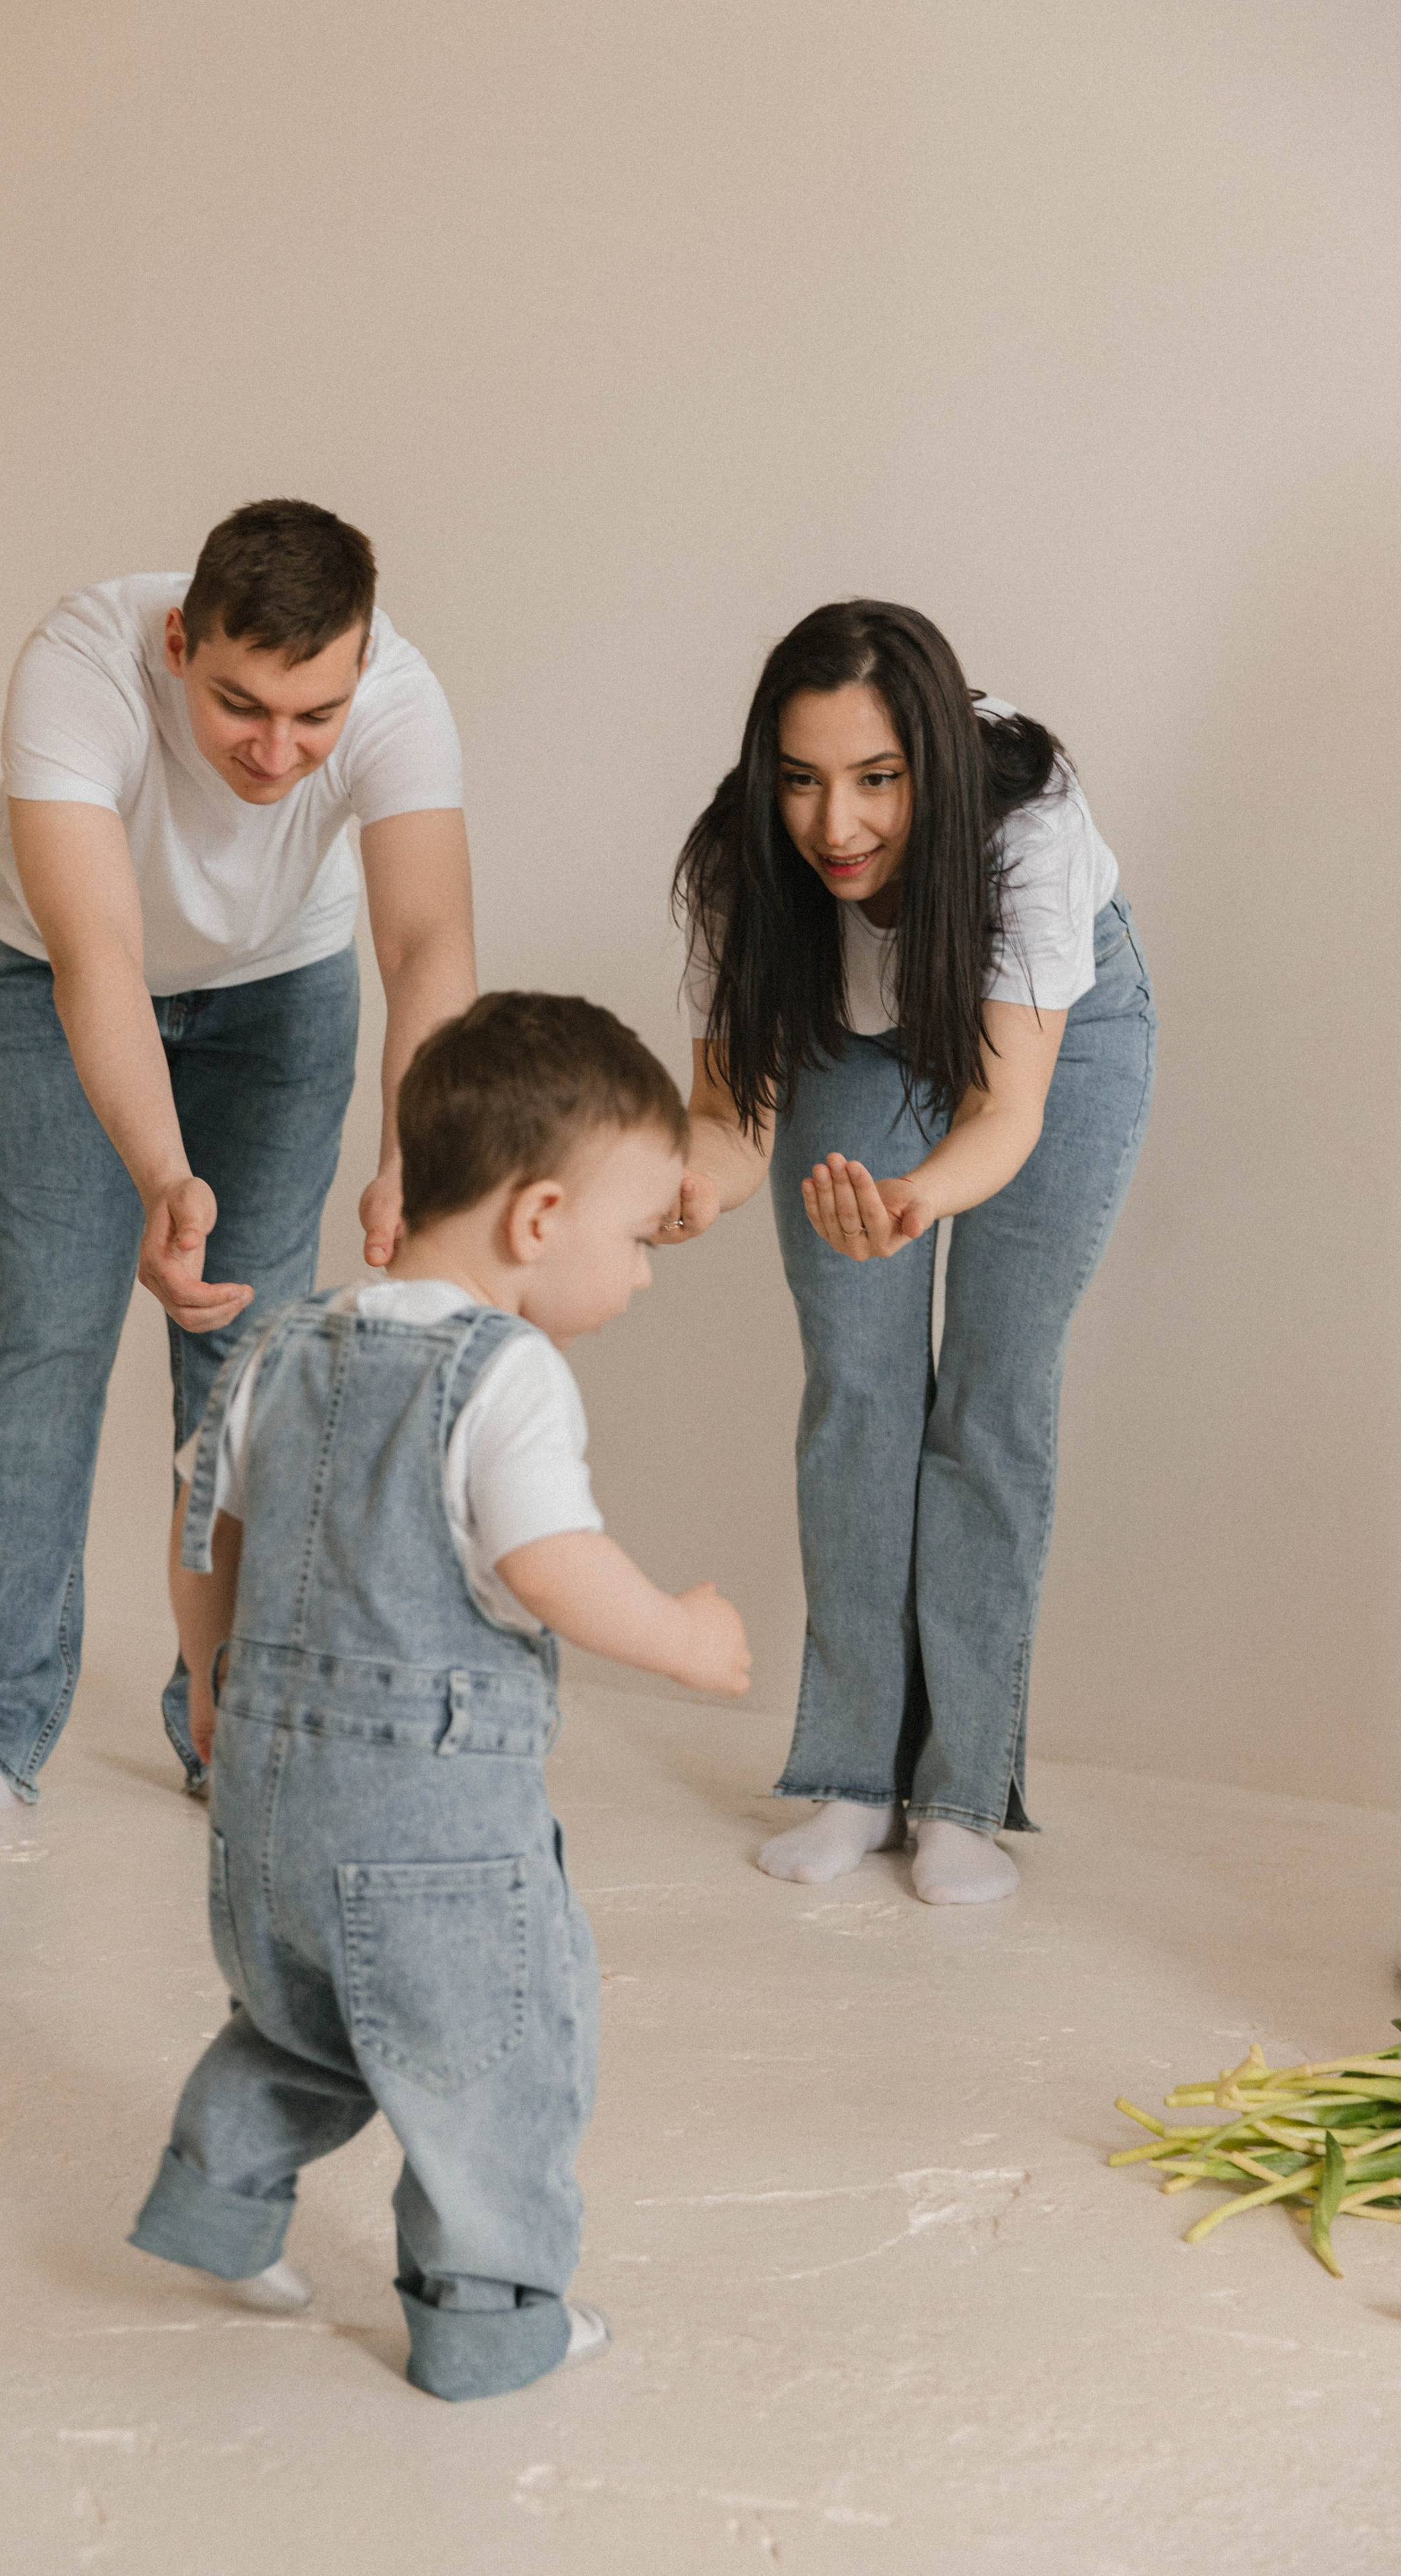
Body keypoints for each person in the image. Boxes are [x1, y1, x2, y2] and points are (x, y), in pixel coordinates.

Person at [128, 994, 751, 2400]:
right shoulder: (506, 1370)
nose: (644, 1277)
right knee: (495, 2059)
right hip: (427, 1831)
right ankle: (486, 2325)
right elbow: (548, 1561)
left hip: (267, 1808)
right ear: (536, 1220)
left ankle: (216, 2206)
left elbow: (200, 1528)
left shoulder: (278, 1345)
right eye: (640, 1239)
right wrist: (679, 1639)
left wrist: (215, 1685)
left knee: (301, 2022)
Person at [0, 500, 477, 1854]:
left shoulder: (397, 692)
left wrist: (415, 1154)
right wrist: (162, 1172)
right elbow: (97, 955)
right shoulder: (80, 662)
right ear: (178, 642)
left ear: (359, 666)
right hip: (59, 988)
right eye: (240, 706)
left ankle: (236, 1732)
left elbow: (429, 945)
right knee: (46, 1332)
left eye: (312, 716)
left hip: (280, 998)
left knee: (251, 1360)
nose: (278, 751)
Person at [667, 600, 1154, 1905]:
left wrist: (911, 1200)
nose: (836, 826)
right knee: (858, 1394)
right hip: (853, 1036)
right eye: (803, 781)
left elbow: (1001, 1116)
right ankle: (847, 1777)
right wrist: (675, 1191)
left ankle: (956, 1799)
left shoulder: (1027, 829)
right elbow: (726, 1121)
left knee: (991, 1394)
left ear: (932, 760)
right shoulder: (740, 860)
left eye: (876, 780)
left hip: (1054, 1040)